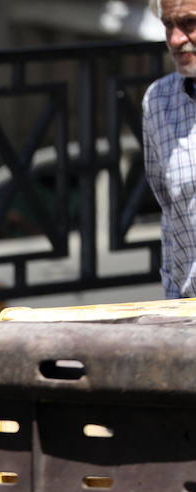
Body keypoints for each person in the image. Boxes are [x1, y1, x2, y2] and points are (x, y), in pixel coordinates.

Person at [145, 0, 196, 298]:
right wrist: (173, 299)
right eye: (168, 26)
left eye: (189, 23)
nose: (176, 40)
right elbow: (170, 215)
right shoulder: (158, 101)